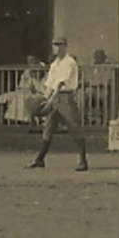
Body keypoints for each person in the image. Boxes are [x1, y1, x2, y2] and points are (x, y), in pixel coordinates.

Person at [25, 36, 89, 172]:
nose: (58, 48)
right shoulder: (54, 64)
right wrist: (44, 98)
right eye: (55, 45)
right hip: (54, 97)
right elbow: (50, 85)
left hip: (65, 97)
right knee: (48, 128)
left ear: (66, 46)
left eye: (60, 45)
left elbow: (61, 84)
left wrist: (50, 101)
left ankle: (83, 161)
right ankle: (40, 159)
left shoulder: (69, 62)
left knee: (74, 127)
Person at [0, 56, 46, 124]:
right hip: (27, 91)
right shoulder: (27, 71)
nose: (31, 62)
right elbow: (23, 85)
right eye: (29, 61)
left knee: (23, 98)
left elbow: (45, 87)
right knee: (8, 97)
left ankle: (27, 120)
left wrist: (36, 88)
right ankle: (11, 119)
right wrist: (28, 87)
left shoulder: (44, 68)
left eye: (32, 60)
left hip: (41, 93)